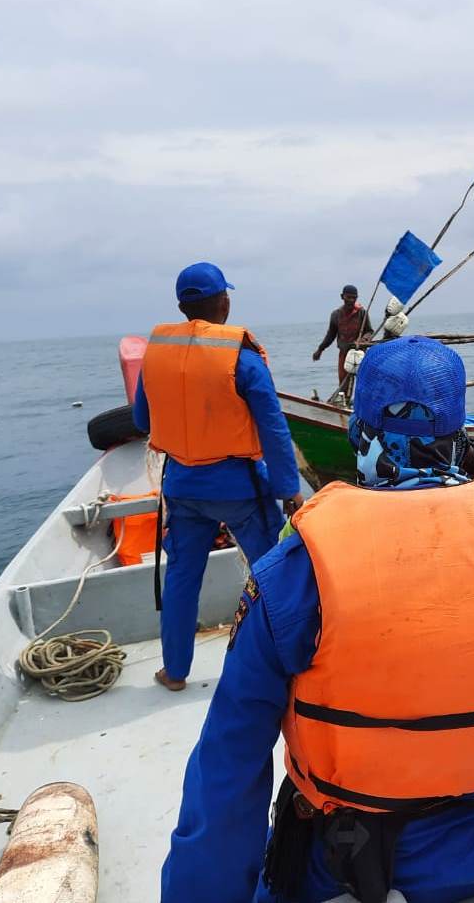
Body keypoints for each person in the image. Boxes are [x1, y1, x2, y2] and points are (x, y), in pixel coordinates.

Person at [161, 336, 474, 903]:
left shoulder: (299, 570)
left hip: (355, 861)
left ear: (359, 433)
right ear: (462, 437)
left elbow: (230, 763)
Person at [133, 262, 304, 692]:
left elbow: (141, 420)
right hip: (240, 488)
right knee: (274, 574)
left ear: (181, 307)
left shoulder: (156, 354)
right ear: (224, 302)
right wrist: (289, 490)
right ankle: (289, 664)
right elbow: (273, 429)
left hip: (182, 487)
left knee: (181, 579)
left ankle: (174, 672)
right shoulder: (241, 358)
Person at [312, 284, 373, 383]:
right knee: (344, 384)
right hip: (344, 354)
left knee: (364, 381)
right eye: (348, 297)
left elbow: (369, 331)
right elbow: (330, 336)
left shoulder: (362, 313)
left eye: (354, 298)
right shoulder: (336, 315)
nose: (351, 300)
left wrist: (363, 339)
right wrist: (320, 349)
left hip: (360, 353)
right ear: (342, 297)